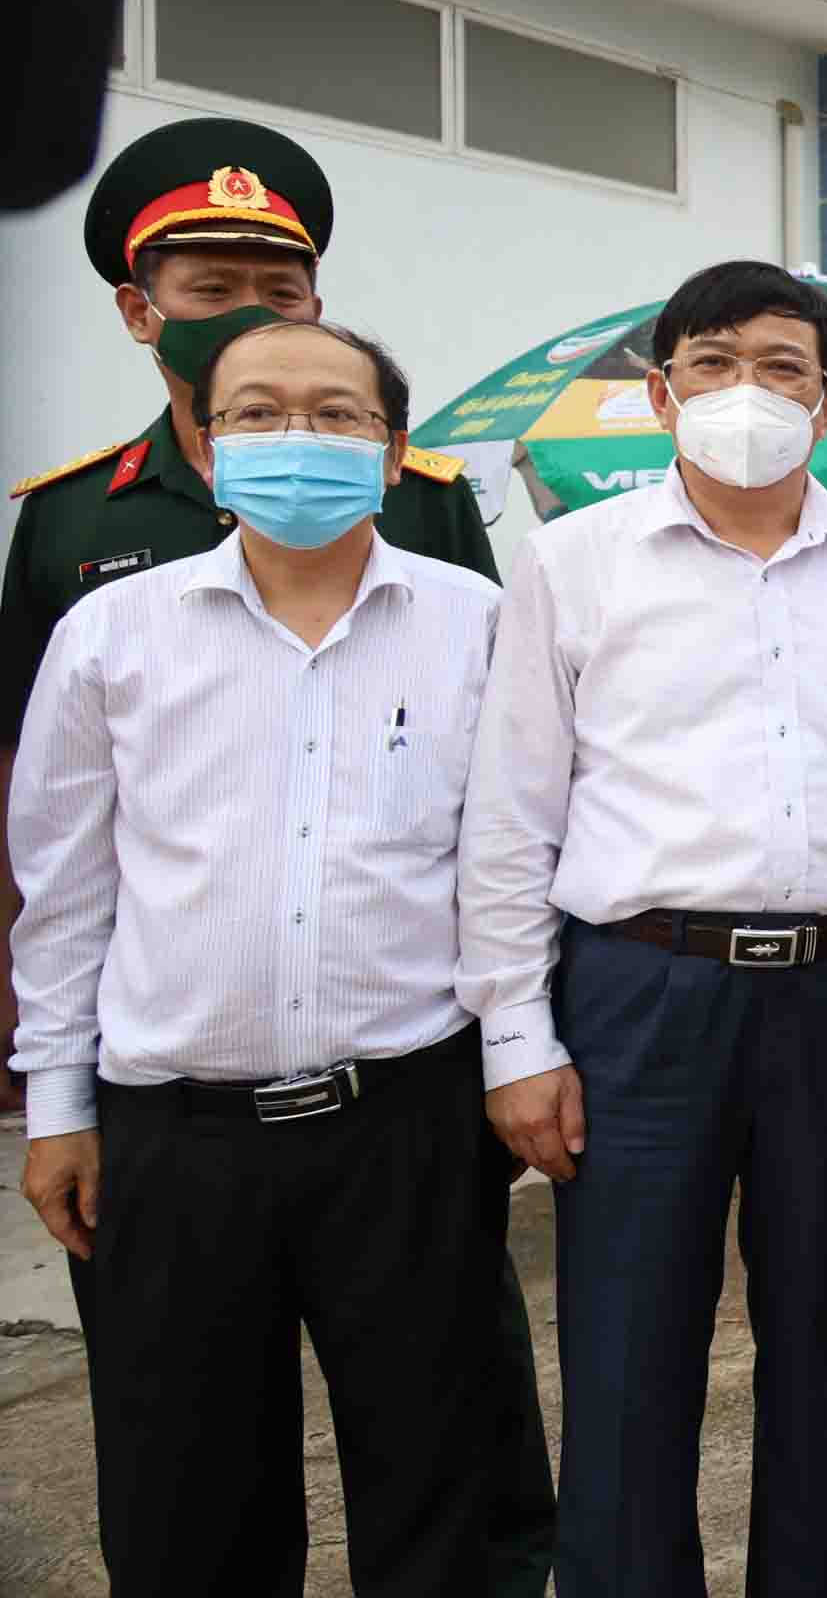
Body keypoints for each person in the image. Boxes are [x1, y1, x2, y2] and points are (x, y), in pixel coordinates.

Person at [0, 115, 550, 1594]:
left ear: (388, 437)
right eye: (255, 410)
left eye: (335, 412)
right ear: (188, 393)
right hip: (172, 1133)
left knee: (447, 1480)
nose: (293, 436)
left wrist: (515, 1047)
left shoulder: (464, 602)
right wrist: (54, 1097)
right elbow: (61, 874)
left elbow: (503, 837)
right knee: (188, 1509)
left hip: (408, 1114)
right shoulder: (102, 606)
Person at [457, 261, 827, 1598]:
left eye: (783, 368)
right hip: (640, 994)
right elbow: (510, 811)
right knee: (627, 1344)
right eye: (713, 363)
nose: (746, 393)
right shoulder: (574, 561)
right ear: (660, 392)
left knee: (820, 1339)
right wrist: (516, 1039)